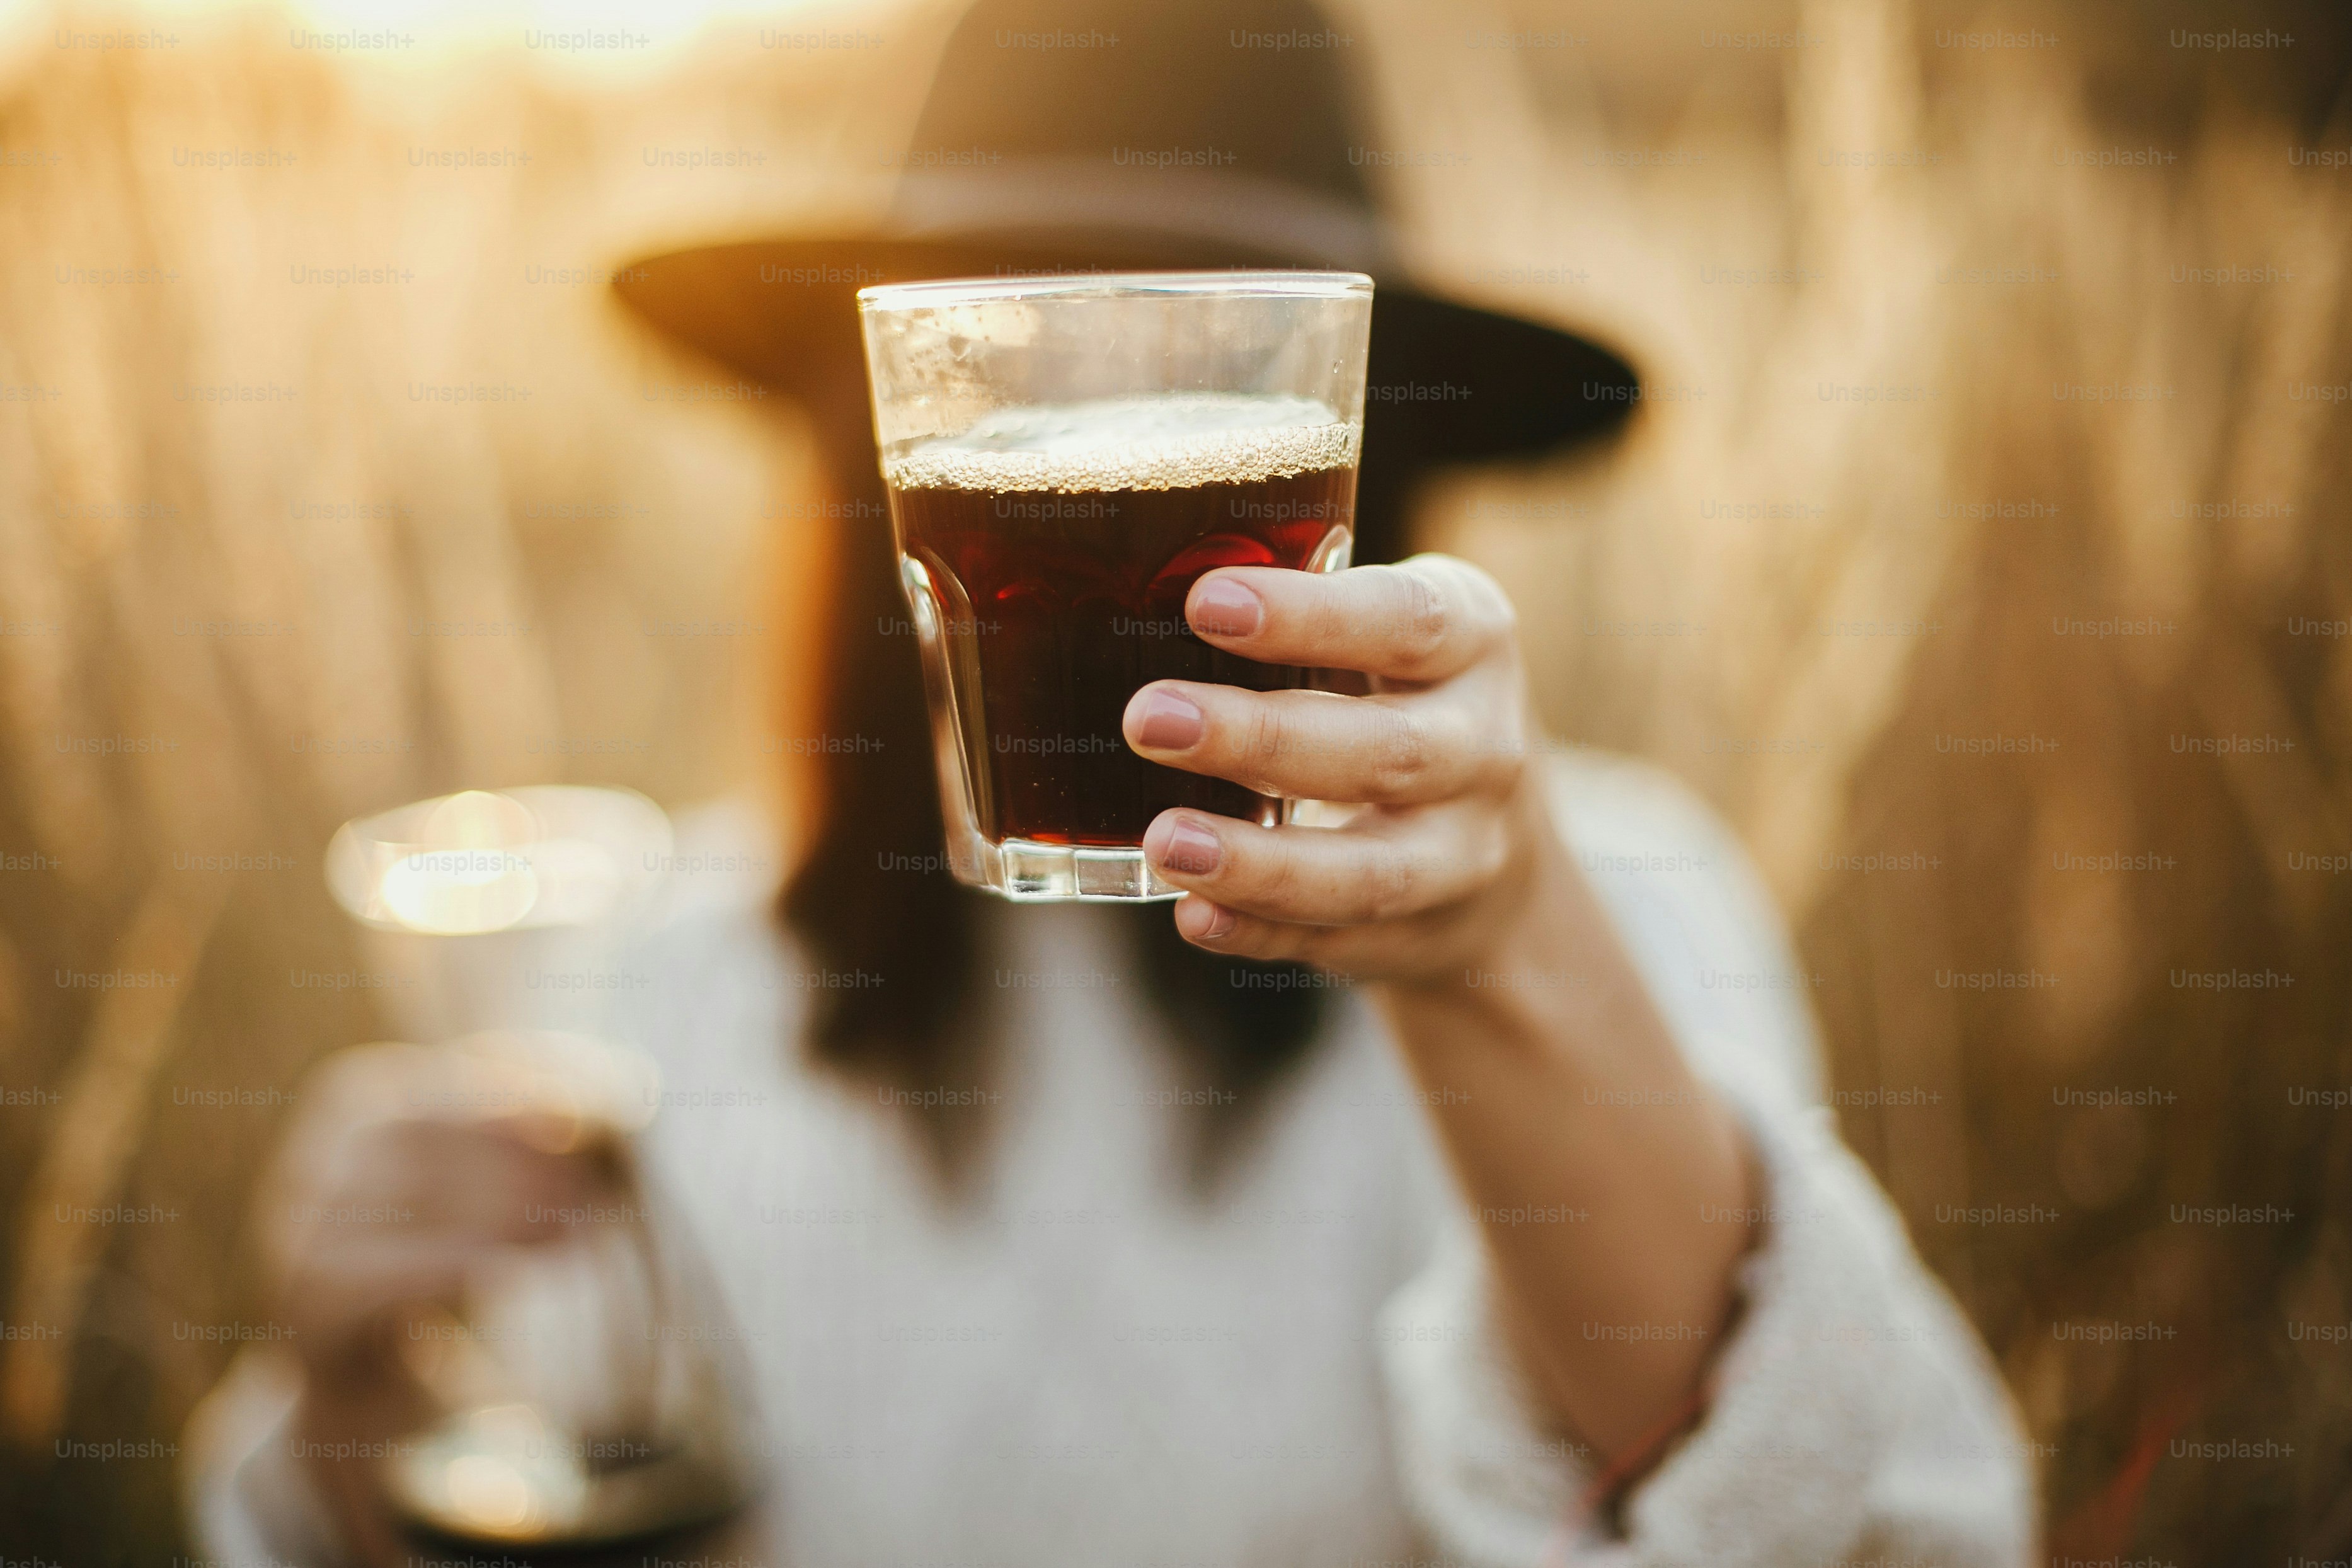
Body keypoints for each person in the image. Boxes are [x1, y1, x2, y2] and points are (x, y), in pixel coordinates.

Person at [189, 1, 2033, 1564]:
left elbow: (1877, 1530)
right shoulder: (644, 976)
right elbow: (525, 1493)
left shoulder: (1605, 904)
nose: (1110, 420)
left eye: (1201, 357)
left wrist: (1490, 941)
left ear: (1343, 456)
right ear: (883, 446)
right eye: (1011, 357)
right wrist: (364, 1406)